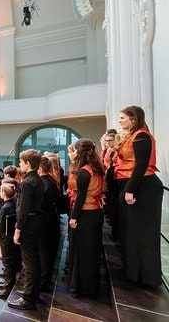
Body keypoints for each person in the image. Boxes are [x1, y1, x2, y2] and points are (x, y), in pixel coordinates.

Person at [114, 105, 163, 286]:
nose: (119, 121)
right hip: (134, 184)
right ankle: (134, 273)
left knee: (142, 233)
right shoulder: (134, 136)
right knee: (132, 232)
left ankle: (146, 276)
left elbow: (141, 165)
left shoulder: (141, 136)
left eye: (122, 118)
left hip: (143, 187)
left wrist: (130, 189)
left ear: (134, 119)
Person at [67, 139, 105, 298]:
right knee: (91, 252)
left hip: (85, 214)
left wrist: (74, 217)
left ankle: (82, 288)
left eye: (74, 150)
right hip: (95, 212)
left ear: (80, 152)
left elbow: (81, 196)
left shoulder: (84, 171)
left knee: (83, 253)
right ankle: (89, 286)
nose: (72, 153)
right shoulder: (95, 168)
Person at [8, 149, 44, 311]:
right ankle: (33, 292)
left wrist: (17, 229)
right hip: (36, 221)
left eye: (21, 162)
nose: (19, 164)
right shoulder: (37, 179)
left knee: (29, 262)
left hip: (28, 224)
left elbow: (23, 209)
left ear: (29, 164)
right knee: (33, 259)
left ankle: (28, 298)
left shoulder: (28, 183)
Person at [38, 155, 61, 292]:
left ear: (40, 169)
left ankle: (43, 283)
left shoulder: (44, 184)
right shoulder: (50, 180)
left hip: (45, 222)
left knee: (44, 253)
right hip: (50, 220)